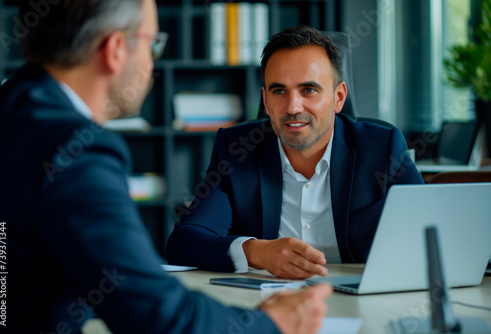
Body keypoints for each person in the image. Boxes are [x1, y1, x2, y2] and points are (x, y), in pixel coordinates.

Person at [0, 2, 332, 333]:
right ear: (115, 49)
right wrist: (268, 324)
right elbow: (155, 314)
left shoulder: (6, 108)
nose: (153, 63)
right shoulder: (74, 148)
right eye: (152, 44)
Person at [167, 25, 424, 279]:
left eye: (308, 90)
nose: (292, 107)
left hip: (361, 300)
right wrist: (257, 252)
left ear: (338, 97)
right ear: (266, 101)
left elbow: (431, 237)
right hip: (269, 303)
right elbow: (184, 242)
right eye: (279, 91)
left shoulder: (382, 147)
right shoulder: (237, 149)